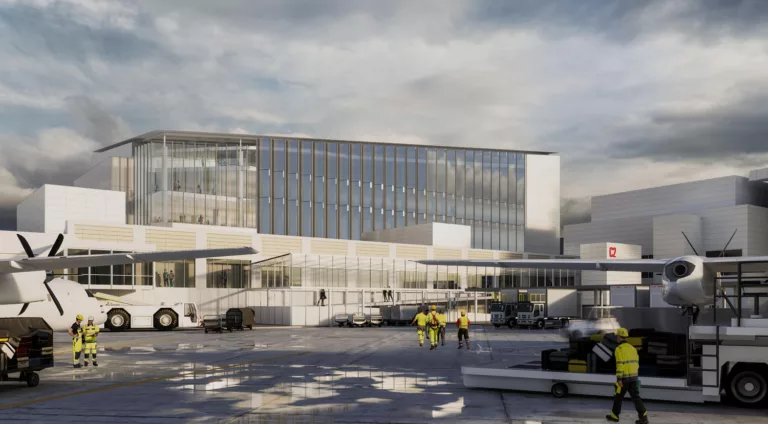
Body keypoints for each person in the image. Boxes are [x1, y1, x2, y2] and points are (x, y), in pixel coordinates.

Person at [607, 328, 649, 423]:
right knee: (636, 397)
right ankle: (644, 417)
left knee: (618, 397)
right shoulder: (632, 348)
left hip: (624, 378)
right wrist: (635, 377)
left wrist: (619, 379)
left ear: (618, 337)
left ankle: (615, 416)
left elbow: (620, 364)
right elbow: (636, 363)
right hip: (633, 378)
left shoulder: (619, 349)